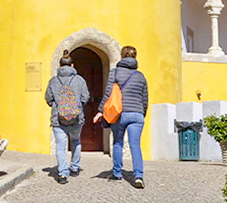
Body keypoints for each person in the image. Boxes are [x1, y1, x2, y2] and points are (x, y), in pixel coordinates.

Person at [93, 46, 150, 188]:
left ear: (122, 56)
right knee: (135, 145)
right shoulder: (140, 76)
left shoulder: (115, 73)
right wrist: (142, 113)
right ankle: (138, 176)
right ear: (135, 57)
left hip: (119, 113)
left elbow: (108, 94)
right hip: (137, 114)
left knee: (118, 142)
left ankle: (117, 173)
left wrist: (101, 111)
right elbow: (145, 98)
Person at [44, 54, 90, 184]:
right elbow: (85, 97)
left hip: (58, 118)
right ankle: (74, 168)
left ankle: (63, 173)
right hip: (76, 118)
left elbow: (48, 98)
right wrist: (77, 106)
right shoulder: (80, 80)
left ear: (59, 65)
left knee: (60, 145)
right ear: (72, 65)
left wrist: (58, 106)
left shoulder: (53, 81)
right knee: (75, 140)